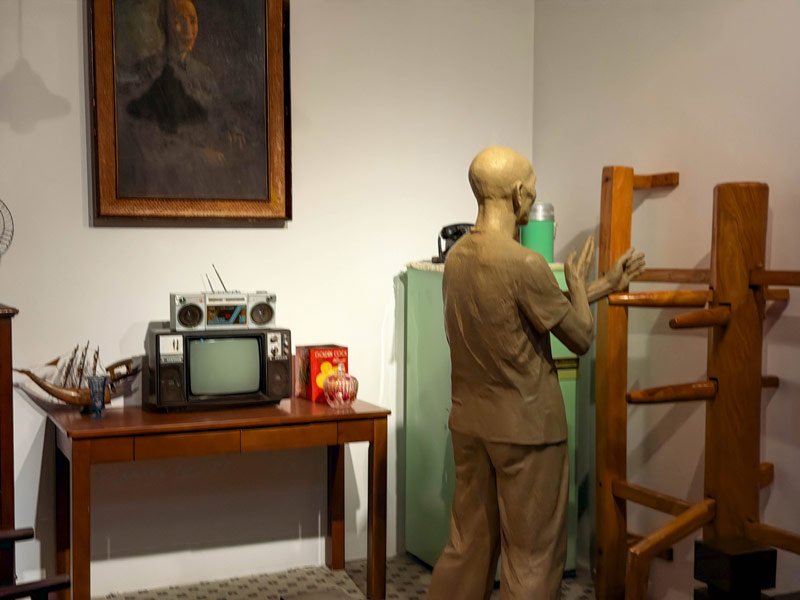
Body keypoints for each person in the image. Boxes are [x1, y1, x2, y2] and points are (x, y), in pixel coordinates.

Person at [427, 146, 644, 600]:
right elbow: (580, 336)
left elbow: (532, 310)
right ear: (519, 194)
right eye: (532, 189)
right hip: (528, 431)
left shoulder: (458, 257)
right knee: (531, 557)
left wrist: (604, 285)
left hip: (471, 426)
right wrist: (579, 285)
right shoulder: (525, 263)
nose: (532, 197)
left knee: (467, 546)